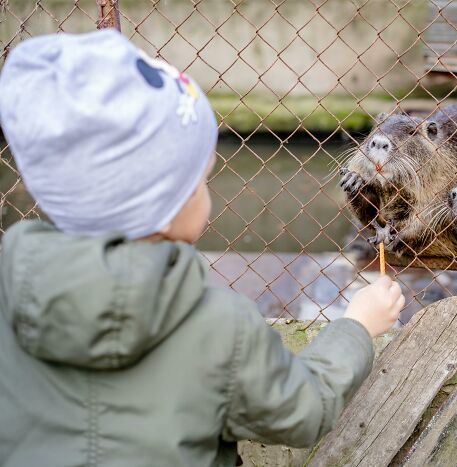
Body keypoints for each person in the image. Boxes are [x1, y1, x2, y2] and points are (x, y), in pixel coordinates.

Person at [0, 29, 404, 466]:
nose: (206, 191)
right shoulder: (220, 328)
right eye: (199, 180)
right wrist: (357, 326)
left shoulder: (8, 291)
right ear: (165, 206)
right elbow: (304, 410)